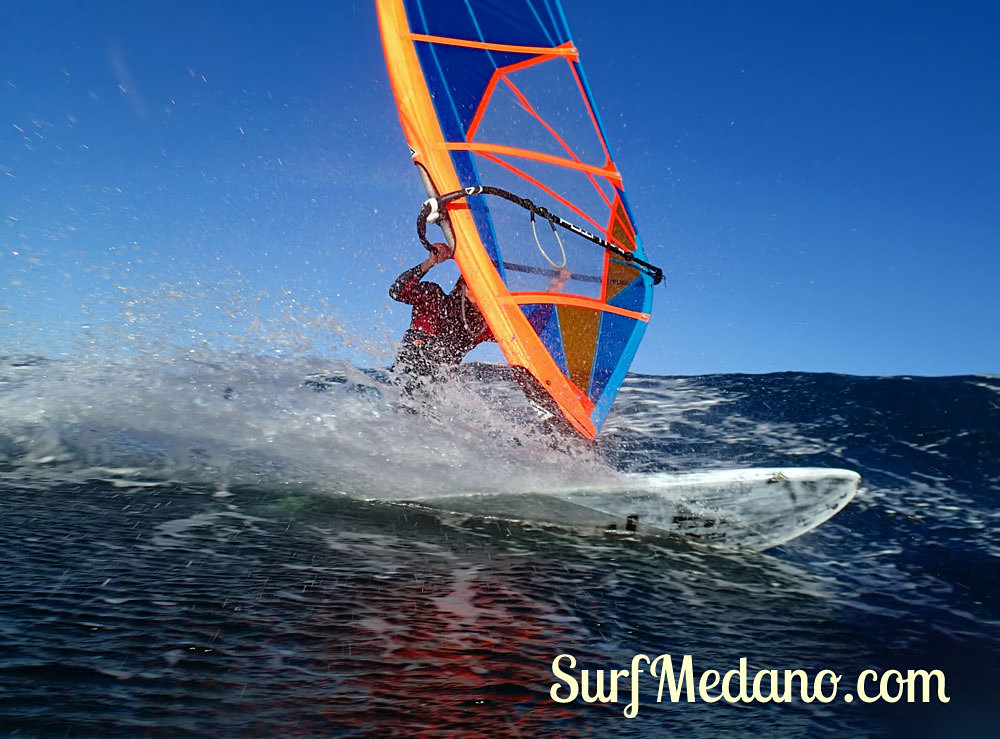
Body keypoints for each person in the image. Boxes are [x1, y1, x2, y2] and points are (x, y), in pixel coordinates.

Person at [389, 242, 494, 382]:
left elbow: (520, 337)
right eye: (476, 286)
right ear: (462, 287)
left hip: (441, 388)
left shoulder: (482, 326)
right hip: (409, 374)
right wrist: (430, 262)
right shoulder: (433, 296)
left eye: (487, 290)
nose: (482, 294)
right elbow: (397, 292)